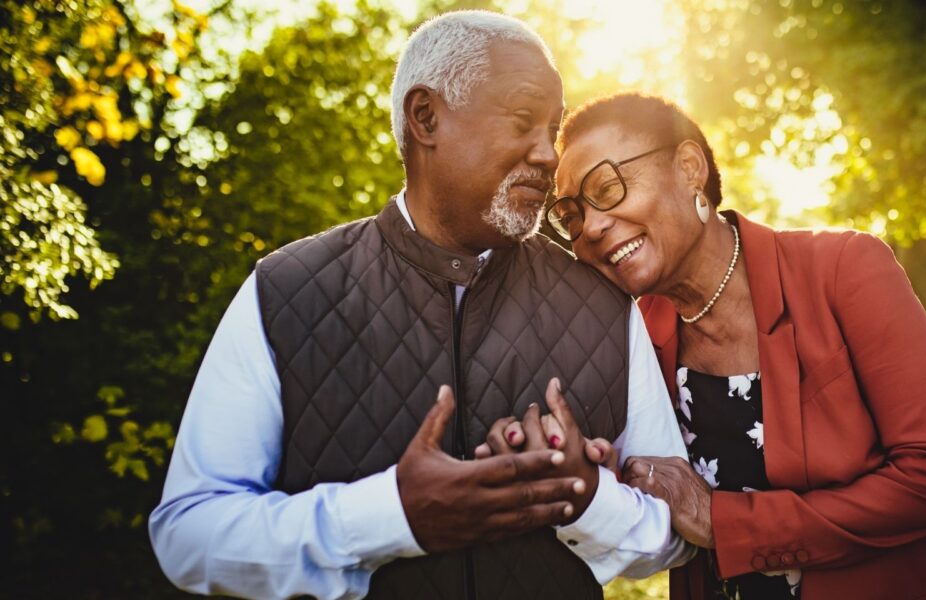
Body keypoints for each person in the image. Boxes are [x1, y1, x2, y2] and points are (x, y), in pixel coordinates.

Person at [148, 14, 693, 599]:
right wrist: (393, 515)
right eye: (522, 121)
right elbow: (188, 535)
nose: (546, 155)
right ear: (426, 117)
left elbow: (677, 536)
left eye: (552, 130)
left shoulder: (604, 306)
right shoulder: (285, 290)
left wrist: (587, 498)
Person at [541, 92, 926, 599]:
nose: (590, 228)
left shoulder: (845, 269)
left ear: (689, 168)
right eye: (572, 215)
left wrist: (724, 522)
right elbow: (649, 506)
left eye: (607, 187)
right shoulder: (633, 336)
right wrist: (594, 477)